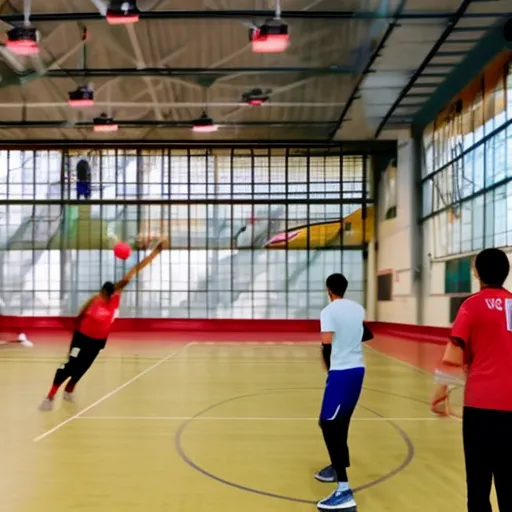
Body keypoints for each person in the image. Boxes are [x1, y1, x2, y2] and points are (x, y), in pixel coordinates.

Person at [431, 248, 512, 512]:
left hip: (481, 408)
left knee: (478, 485)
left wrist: (440, 392)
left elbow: (454, 354)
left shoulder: (471, 306)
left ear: (476, 272)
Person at [39, 241, 163, 411]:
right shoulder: (95, 301)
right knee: (70, 366)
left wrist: (155, 252)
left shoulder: (114, 298)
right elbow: (79, 317)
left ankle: (69, 390)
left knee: (83, 367)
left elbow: (133, 271)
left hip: (97, 341)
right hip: (81, 339)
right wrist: (72, 332)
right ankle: (50, 397)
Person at [315, 273, 373, 511]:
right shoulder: (357, 308)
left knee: (327, 423)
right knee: (341, 422)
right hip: (358, 369)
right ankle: (335, 464)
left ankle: (343, 489)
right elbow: (366, 333)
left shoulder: (329, 311)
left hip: (341, 373)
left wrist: (330, 370)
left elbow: (326, 343)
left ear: (329, 290)